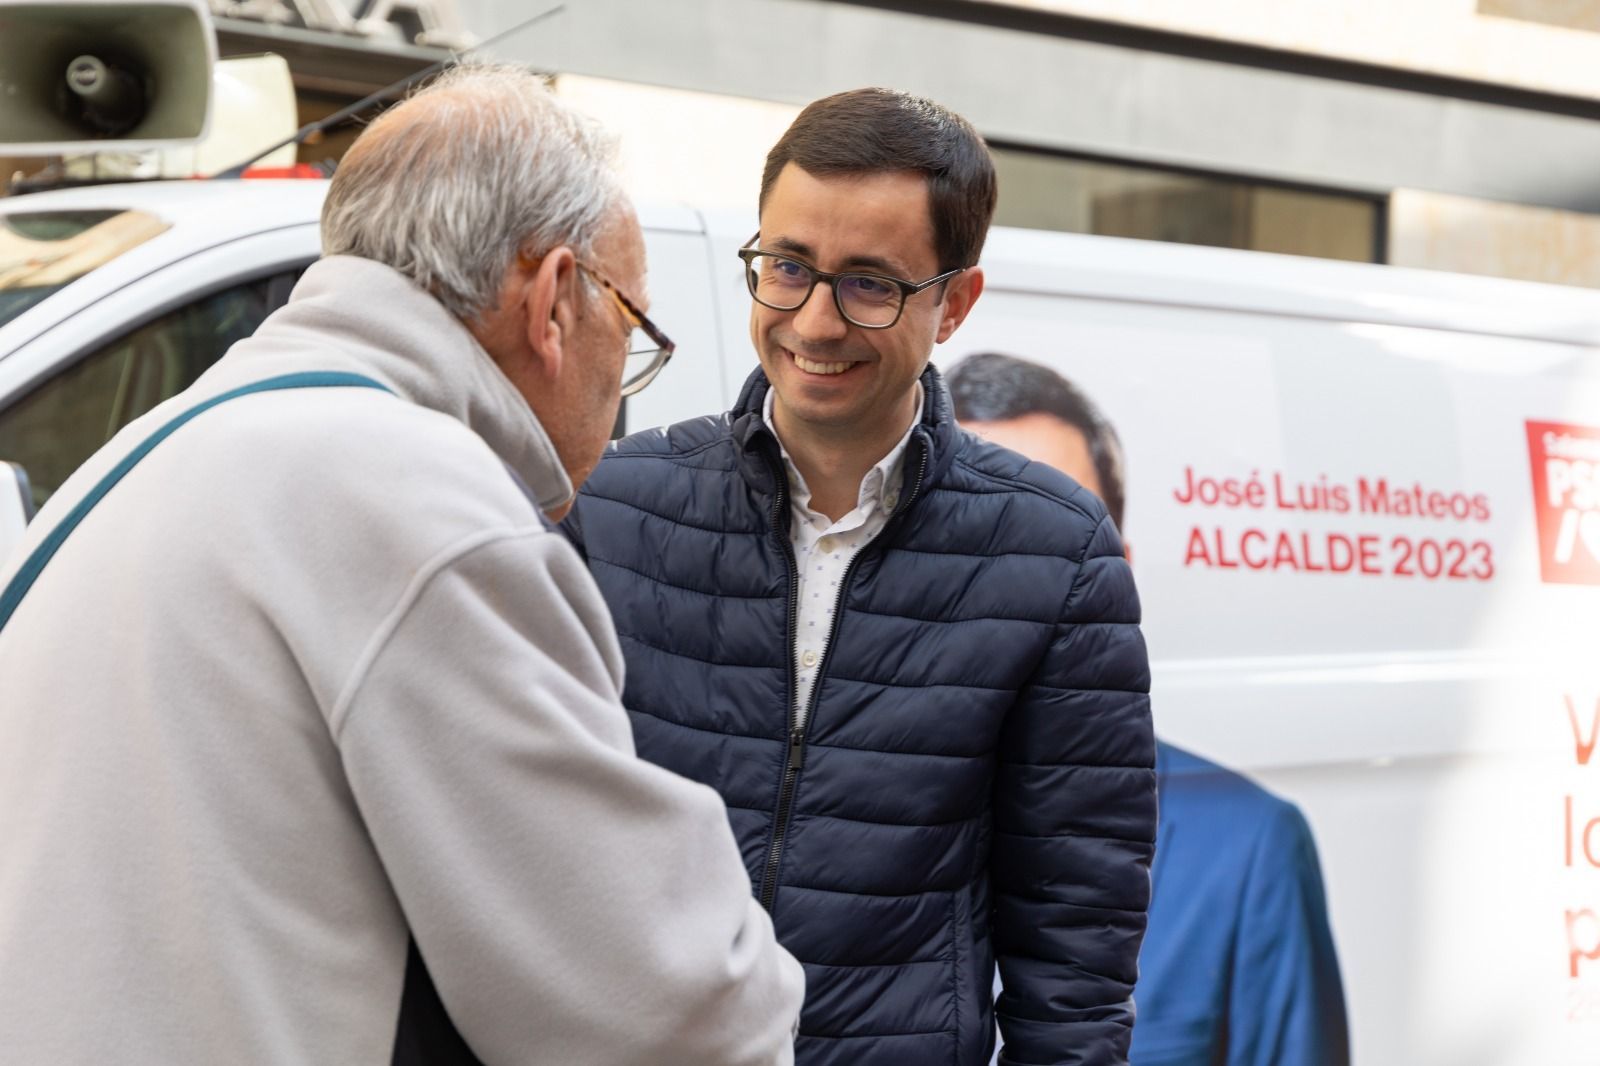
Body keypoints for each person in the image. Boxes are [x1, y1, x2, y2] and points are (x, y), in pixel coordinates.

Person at [0, 65, 803, 1066]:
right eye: (632, 328)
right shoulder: (415, 493)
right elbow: (664, 1006)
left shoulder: (147, 448)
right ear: (554, 300)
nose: (622, 381)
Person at [561, 88, 1156, 1066]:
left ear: (954, 303)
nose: (814, 321)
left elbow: (1075, 952)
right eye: (788, 268)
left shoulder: (1055, 554)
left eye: (869, 284)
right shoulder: (611, 506)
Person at [948, 351, 1351, 1066]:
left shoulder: (1243, 850)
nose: (1003, 583)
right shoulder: (810, 827)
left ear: (1118, 578)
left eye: (1052, 540)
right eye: (962, 538)